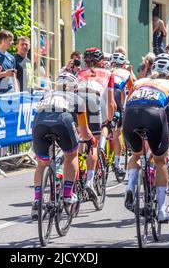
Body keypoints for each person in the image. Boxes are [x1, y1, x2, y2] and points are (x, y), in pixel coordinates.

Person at [123, 54, 169, 223]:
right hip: (154, 114)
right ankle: (161, 210)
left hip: (130, 115)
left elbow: (127, 105)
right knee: (160, 161)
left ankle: (130, 188)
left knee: (136, 155)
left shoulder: (138, 82)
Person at [30, 72, 95, 220]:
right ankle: (67, 194)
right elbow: (84, 131)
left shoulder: (46, 95)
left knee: (41, 163)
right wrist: (91, 140)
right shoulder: (77, 98)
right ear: (74, 87)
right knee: (71, 154)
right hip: (63, 121)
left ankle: (37, 199)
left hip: (40, 123)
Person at [76, 47, 116, 200]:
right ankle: (90, 181)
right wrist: (109, 121)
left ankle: (70, 171)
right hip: (93, 100)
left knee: (79, 139)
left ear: (85, 61)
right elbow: (111, 102)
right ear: (101, 61)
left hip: (76, 101)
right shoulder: (108, 73)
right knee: (93, 143)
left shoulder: (79, 72)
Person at [110, 52, 135, 175]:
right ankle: (117, 163)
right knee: (117, 132)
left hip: (102, 96)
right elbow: (132, 90)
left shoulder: (107, 71)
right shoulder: (126, 73)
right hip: (115, 95)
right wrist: (126, 106)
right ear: (124, 64)